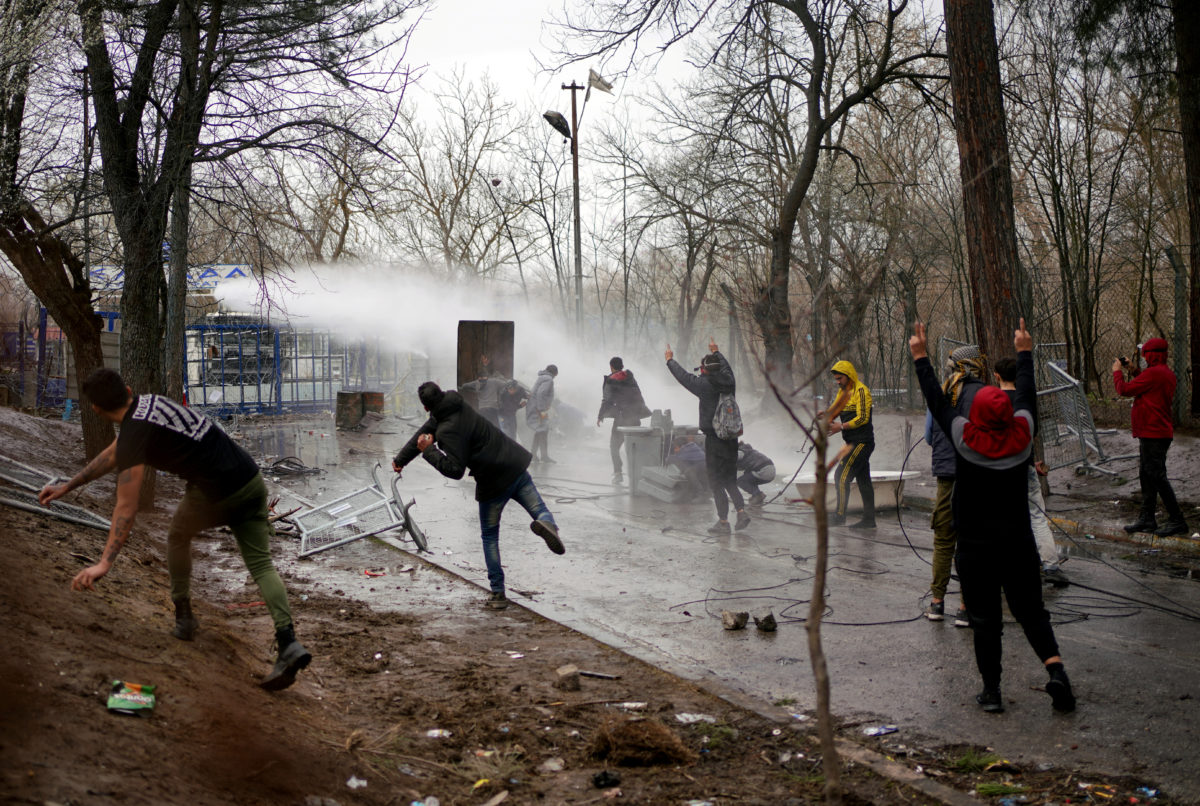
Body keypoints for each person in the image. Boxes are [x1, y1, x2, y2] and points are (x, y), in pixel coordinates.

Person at [38, 368, 311, 691]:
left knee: (177, 537)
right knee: (262, 565)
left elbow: (126, 505)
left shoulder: (135, 432)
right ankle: (288, 641)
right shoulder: (148, 404)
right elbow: (114, 454)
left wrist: (104, 563)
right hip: (251, 481)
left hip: (214, 492)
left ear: (96, 409)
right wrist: (68, 486)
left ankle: (184, 617)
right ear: (127, 389)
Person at [910, 319, 1076, 714]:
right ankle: (1056, 672)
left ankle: (992, 692)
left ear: (977, 416)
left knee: (985, 620)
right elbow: (1027, 397)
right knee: (1032, 612)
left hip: (976, 547)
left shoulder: (966, 439)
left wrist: (920, 357)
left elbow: (937, 400)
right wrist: (1025, 353)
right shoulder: (1021, 436)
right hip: (1017, 543)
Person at [393, 381, 564, 610]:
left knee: (490, 537)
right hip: (515, 465)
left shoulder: (445, 430)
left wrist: (429, 451)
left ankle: (498, 594)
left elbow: (455, 470)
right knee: (539, 510)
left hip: (493, 482)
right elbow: (423, 432)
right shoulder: (458, 405)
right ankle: (547, 523)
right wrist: (401, 459)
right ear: (442, 394)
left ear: (426, 407)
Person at [924, 345, 985, 625]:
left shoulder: (941, 393)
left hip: (946, 475)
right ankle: (965, 608)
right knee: (971, 542)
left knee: (943, 540)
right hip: (975, 476)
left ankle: (937, 603)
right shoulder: (985, 393)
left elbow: (928, 436)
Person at [994, 357, 1068, 586]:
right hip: (1024, 466)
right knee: (1036, 517)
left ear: (997, 375)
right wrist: (1030, 460)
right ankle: (1050, 565)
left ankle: (1003, 567)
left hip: (999, 469)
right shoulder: (1025, 401)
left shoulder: (993, 401)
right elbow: (1030, 433)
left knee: (1000, 518)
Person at [666, 339, 750, 534]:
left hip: (714, 440)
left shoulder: (703, 385)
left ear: (704, 370)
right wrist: (717, 352)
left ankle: (723, 523)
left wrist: (670, 360)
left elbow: (683, 377)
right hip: (731, 439)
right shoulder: (729, 382)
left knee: (715, 481)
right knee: (730, 479)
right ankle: (741, 511)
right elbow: (727, 368)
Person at [1113, 339, 1190, 537]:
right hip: (1154, 432)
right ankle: (1147, 518)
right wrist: (1133, 370)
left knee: (1156, 476)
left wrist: (1117, 372)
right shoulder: (1164, 373)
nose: (1145, 358)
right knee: (1147, 474)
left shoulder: (1154, 374)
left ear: (1153, 354)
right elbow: (1148, 385)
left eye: (1146, 355)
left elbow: (1125, 390)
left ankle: (1177, 519)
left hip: (1153, 432)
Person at [822, 360, 876, 529]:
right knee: (864, 480)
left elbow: (862, 418)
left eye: (840, 378)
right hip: (852, 442)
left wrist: (841, 426)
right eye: (836, 379)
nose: (838, 382)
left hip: (862, 442)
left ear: (849, 375)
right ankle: (869, 519)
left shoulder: (861, 391)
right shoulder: (843, 392)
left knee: (841, 476)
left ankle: (839, 516)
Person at [597, 356, 651, 483]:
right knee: (633, 446)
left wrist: (600, 416)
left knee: (614, 446)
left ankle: (618, 473)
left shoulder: (611, 380)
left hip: (621, 419)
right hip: (635, 417)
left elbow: (607, 399)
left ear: (611, 366)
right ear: (622, 365)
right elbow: (639, 395)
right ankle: (637, 474)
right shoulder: (631, 378)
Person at [527, 364, 558, 463]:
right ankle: (544, 456)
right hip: (539, 409)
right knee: (543, 430)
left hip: (534, 408)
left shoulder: (542, 377)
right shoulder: (549, 379)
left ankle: (534, 455)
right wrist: (542, 410)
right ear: (555, 373)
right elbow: (541, 393)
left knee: (540, 430)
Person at [461, 358, 502, 426]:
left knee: (485, 426)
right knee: (495, 426)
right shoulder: (494, 381)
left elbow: (464, 386)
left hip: (483, 408)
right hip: (493, 408)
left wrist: (472, 389)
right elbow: (505, 384)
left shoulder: (476, 383)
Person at [735, 441, 776, 506]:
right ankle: (757, 496)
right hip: (771, 471)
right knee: (748, 476)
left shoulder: (740, 451)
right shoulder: (749, 451)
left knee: (740, 481)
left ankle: (758, 495)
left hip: (764, 470)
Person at [668, 435, 708, 499]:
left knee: (688, 472)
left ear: (681, 445)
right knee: (688, 471)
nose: (675, 450)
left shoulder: (686, 449)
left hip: (703, 466)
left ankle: (701, 494)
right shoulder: (692, 446)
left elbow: (678, 458)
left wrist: (667, 458)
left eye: (676, 447)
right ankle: (693, 494)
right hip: (705, 466)